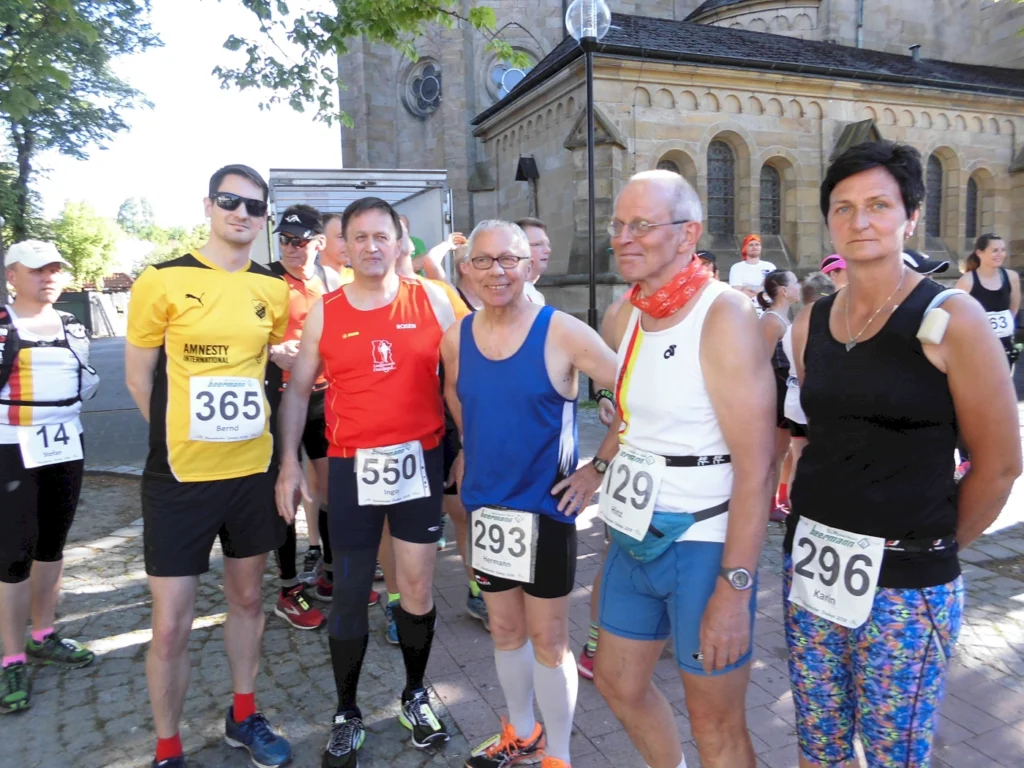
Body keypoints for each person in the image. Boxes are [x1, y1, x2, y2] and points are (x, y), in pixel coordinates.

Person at [786, 140, 1021, 768]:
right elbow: (823, 435)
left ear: (911, 216)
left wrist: (935, 547)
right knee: (819, 749)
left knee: (895, 756)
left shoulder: (952, 317)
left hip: (906, 585)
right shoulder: (811, 323)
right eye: (843, 207)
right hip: (815, 568)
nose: (859, 221)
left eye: (878, 205)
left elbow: (1001, 463)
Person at [594, 169, 775, 768]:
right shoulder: (625, 314)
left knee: (716, 725)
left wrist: (736, 586)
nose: (623, 237)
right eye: (618, 224)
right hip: (633, 532)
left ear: (687, 234)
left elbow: (758, 466)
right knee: (617, 684)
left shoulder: (724, 314)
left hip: (704, 542)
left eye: (641, 225)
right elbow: (628, 419)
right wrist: (597, 466)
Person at [274, 196, 457, 767]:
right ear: (344, 247)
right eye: (360, 237)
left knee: (417, 589)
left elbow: (464, 376)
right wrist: (288, 464)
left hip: (419, 462)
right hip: (352, 467)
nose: (372, 246)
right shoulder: (326, 311)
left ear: (399, 242)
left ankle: (415, 694)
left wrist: (472, 448)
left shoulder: (432, 299)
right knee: (351, 591)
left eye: (382, 236)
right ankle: (346, 712)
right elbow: (298, 392)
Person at [125, 164, 292, 768]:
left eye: (254, 206)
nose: (242, 213)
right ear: (208, 205)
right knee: (171, 623)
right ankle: (167, 748)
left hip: (251, 474)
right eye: (230, 201)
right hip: (180, 479)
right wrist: (184, 436)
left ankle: (243, 716)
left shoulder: (273, 288)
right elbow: (139, 379)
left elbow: (270, 368)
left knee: (247, 600)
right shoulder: (161, 279)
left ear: (263, 217)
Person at [442, 220, 618, 768]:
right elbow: (455, 392)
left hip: (546, 509)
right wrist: (470, 443)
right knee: (504, 628)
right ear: (467, 269)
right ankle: (522, 733)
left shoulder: (561, 331)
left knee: (548, 639)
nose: (496, 271)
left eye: (508, 260)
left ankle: (558, 756)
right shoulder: (456, 337)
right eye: (484, 260)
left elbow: (633, 390)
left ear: (529, 266)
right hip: (488, 510)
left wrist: (597, 468)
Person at [375, 218, 487, 646]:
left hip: (444, 418)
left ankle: (478, 590)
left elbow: (471, 346)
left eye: (396, 234)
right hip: (391, 426)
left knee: (463, 509)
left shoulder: (438, 293)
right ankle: (396, 601)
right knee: (391, 519)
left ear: (406, 244)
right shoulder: (363, 297)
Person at [1, 240, 98, 716]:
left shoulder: (73, 325)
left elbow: (86, 381)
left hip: (65, 444)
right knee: (13, 554)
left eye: (55, 269)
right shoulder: (3, 325)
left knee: (52, 546)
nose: (49, 277)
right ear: (12, 276)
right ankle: (11, 657)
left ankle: (42, 633)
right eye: (37, 270)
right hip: (11, 447)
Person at [266, 204, 358, 630]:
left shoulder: (331, 280)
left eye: (300, 241)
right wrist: (270, 351)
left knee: (331, 487)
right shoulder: (265, 279)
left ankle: (330, 574)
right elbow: (241, 337)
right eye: (285, 240)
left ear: (319, 243)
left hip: (322, 398)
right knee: (285, 488)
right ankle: (288, 589)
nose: (291, 248)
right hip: (277, 398)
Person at [779, 272, 835, 499]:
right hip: (811, 401)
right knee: (820, 462)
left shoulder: (792, 328)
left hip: (793, 400)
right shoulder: (820, 327)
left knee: (798, 459)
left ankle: (793, 507)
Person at [757, 270, 800, 522]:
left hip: (784, 387)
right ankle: (768, 503)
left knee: (784, 451)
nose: (799, 286)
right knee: (777, 452)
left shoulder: (782, 316)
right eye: (795, 283)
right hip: (776, 389)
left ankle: (776, 498)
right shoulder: (773, 320)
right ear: (783, 290)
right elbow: (761, 361)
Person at [956, 233, 1019, 368]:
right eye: (995, 250)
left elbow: (1014, 306)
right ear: (980, 253)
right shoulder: (967, 281)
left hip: (1005, 345)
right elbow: (957, 314)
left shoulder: (1011, 277)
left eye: (1003, 250)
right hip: (977, 346)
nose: (1000, 255)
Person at [728, 234, 776, 305]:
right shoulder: (737, 267)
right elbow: (737, 293)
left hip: (767, 307)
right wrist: (762, 292)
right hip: (745, 306)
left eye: (757, 244)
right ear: (745, 248)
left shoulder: (770, 266)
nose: (754, 247)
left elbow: (773, 290)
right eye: (751, 245)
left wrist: (750, 288)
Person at [517, 217, 551, 305]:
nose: (548, 250)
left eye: (547, 245)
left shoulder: (537, 296)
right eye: (538, 244)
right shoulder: (509, 296)